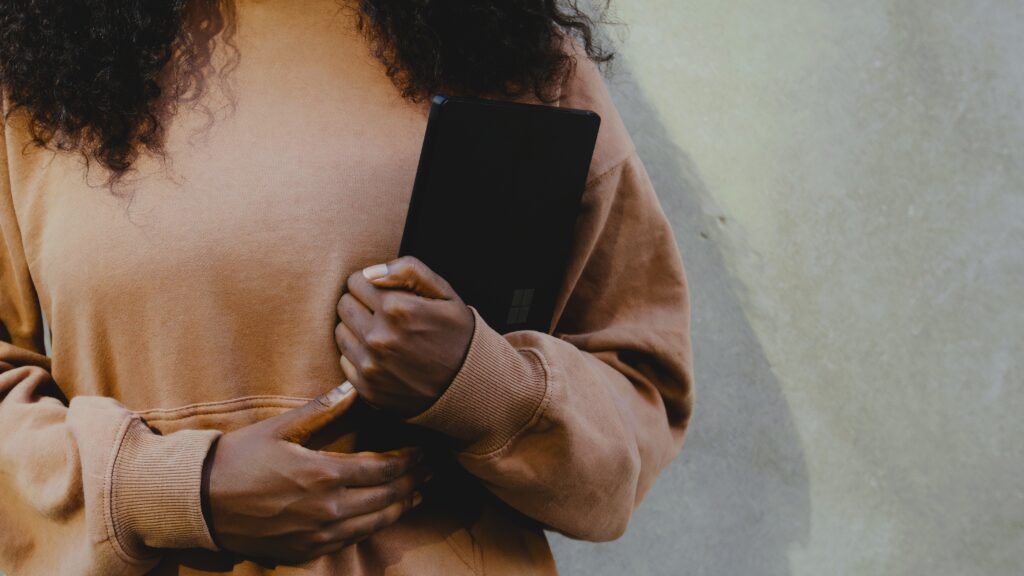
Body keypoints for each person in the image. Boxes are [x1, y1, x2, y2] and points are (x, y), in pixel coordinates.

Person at [0, 0, 694, 574]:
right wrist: (169, 490)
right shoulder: (33, 76)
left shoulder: (506, 48)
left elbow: (641, 393)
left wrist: (484, 384)